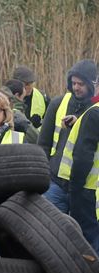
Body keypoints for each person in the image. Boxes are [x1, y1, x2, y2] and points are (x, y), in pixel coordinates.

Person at [40, 59, 97, 214]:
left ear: (92, 85)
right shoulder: (58, 103)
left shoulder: (95, 110)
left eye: (81, 84)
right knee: (51, 231)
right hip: (55, 183)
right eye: (73, 83)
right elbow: (43, 143)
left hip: (86, 188)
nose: (76, 87)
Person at [58, 79, 99, 250]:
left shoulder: (94, 113)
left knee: (89, 245)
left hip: (88, 190)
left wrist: (74, 189)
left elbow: (83, 157)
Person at [0, 79, 38, 144]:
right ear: (17, 95)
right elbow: (37, 138)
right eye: (23, 97)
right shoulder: (17, 115)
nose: (23, 101)